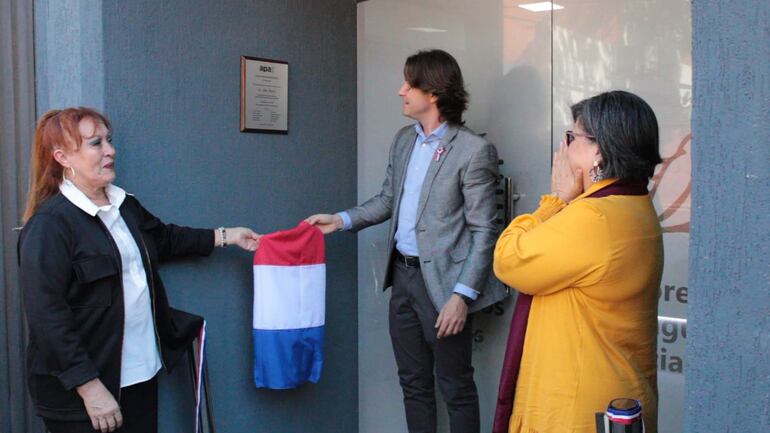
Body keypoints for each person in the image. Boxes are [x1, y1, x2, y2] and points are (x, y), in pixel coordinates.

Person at [18, 107, 261, 433]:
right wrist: (88, 386)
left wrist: (226, 236)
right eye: (95, 144)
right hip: (84, 391)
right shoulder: (50, 226)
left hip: (140, 373)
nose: (110, 151)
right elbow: (48, 318)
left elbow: (165, 239)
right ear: (63, 157)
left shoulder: (124, 205)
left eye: (109, 140)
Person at [306, 49, 508, 433]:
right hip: (402, 279)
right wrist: (341, 220)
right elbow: (387, 199)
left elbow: (485, 231)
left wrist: (461, 296)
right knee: (413, 384)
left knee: (456, 387)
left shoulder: (473, 151)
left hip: (445, 288)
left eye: (408, 83)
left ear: (432, 92)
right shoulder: (404, 140)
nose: (401, 91)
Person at [493, 90, 663, 433]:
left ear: (597, 151)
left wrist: (554, 201)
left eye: (572, 137)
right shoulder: (635, 206)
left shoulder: (594, 218)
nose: (565, 149)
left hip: (575, 406)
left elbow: (508, 259)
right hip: (619, 393)